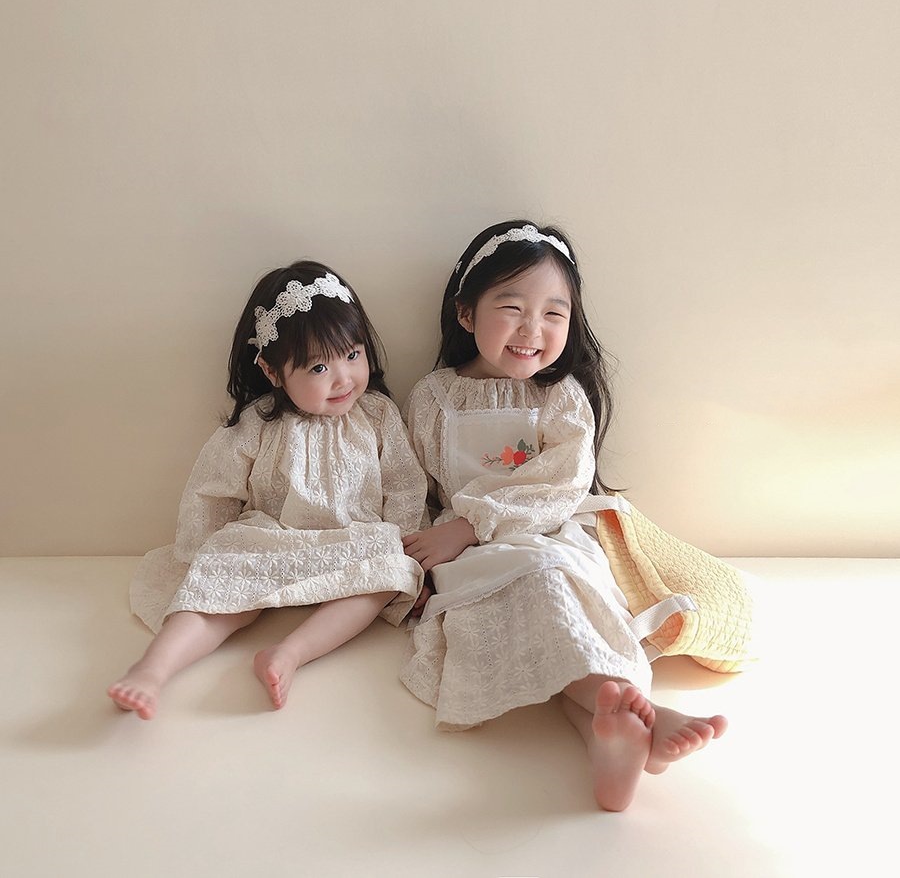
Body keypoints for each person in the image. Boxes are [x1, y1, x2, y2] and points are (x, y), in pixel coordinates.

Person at [400, 221, 727, 811]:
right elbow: (411, 486)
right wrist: (415, 564)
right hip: (468, 553)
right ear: (466, 313)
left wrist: (473, 524)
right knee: (525, 607)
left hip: (551, 533)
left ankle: (622, 724)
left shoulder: (561, 395)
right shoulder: (433, 397)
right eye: (512, 308)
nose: (533, 330)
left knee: (553, 584)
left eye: (554, 313)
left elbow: (562, 483)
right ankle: (622, 726)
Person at [108, 261, 427, 719]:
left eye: (352, 354)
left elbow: (405, 483)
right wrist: (202, 552)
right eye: (319, 366)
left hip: (352, 543)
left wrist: (404, 544)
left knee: (389, 570)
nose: (343, 378)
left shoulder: (377, 415)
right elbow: (213, 489)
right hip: (270, 539)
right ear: (273, 371)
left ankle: (290, 653)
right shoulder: (259, 422)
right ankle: (152, 670)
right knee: (221, 577)